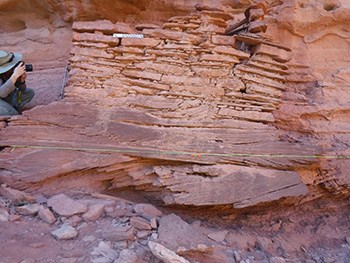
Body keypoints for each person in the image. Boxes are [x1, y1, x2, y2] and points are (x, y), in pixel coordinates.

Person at [0, 50, 35, 116]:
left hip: (5, 98)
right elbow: (2, 93)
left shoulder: (6, 74)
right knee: (13, 113)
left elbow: (20, 91)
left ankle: (8, 108)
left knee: (29, 93)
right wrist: (15, 76)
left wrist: (21, 81)